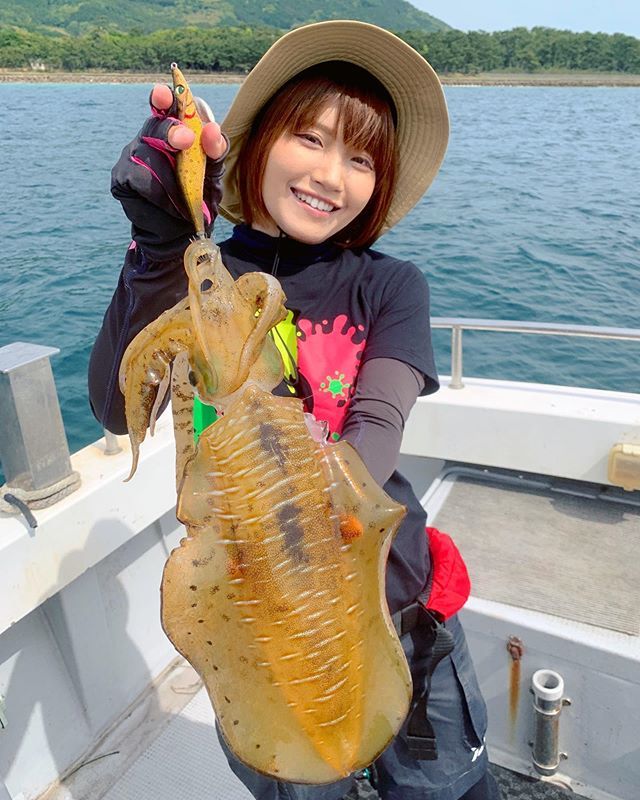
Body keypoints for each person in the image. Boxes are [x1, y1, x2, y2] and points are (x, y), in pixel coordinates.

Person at [88, 19, 499, 800]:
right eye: (308, 139)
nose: (329, 175)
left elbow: (376, 426)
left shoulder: (389, 285)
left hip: (403, 608)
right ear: (261, 140)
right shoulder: (189, 273)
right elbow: (116, 406)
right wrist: (153, 249)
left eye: (360, 159)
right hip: (262, 626)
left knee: (446, 786)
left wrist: (277, 446)